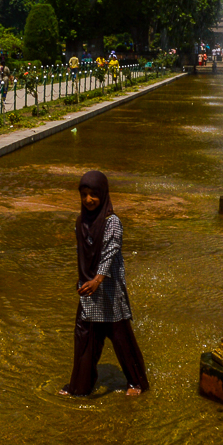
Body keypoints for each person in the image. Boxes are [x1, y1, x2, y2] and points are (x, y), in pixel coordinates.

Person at [60, 170, 149, 398]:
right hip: (88, 291)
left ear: (104, 194)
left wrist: (97, 279)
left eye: (94, 194)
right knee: (83, 339)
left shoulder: (112, 222)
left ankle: (136, 383)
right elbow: (83, 254)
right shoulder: (81, 221)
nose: (89, 200)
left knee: (121, 339)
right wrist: (84, 280)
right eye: (84, 194)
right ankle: (80, 386)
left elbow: (110, 252)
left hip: (108, 291)